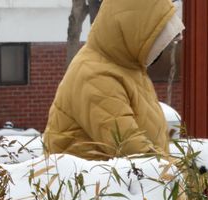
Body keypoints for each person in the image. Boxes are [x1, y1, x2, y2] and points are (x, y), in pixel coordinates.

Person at [44, 0, 184, 160]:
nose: (161, 48)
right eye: (155, 38)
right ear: (132, 30)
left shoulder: (129, 70)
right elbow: (128, 147)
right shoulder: (94, 74)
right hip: (93, 183)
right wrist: (179, 176)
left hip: (128, 182)